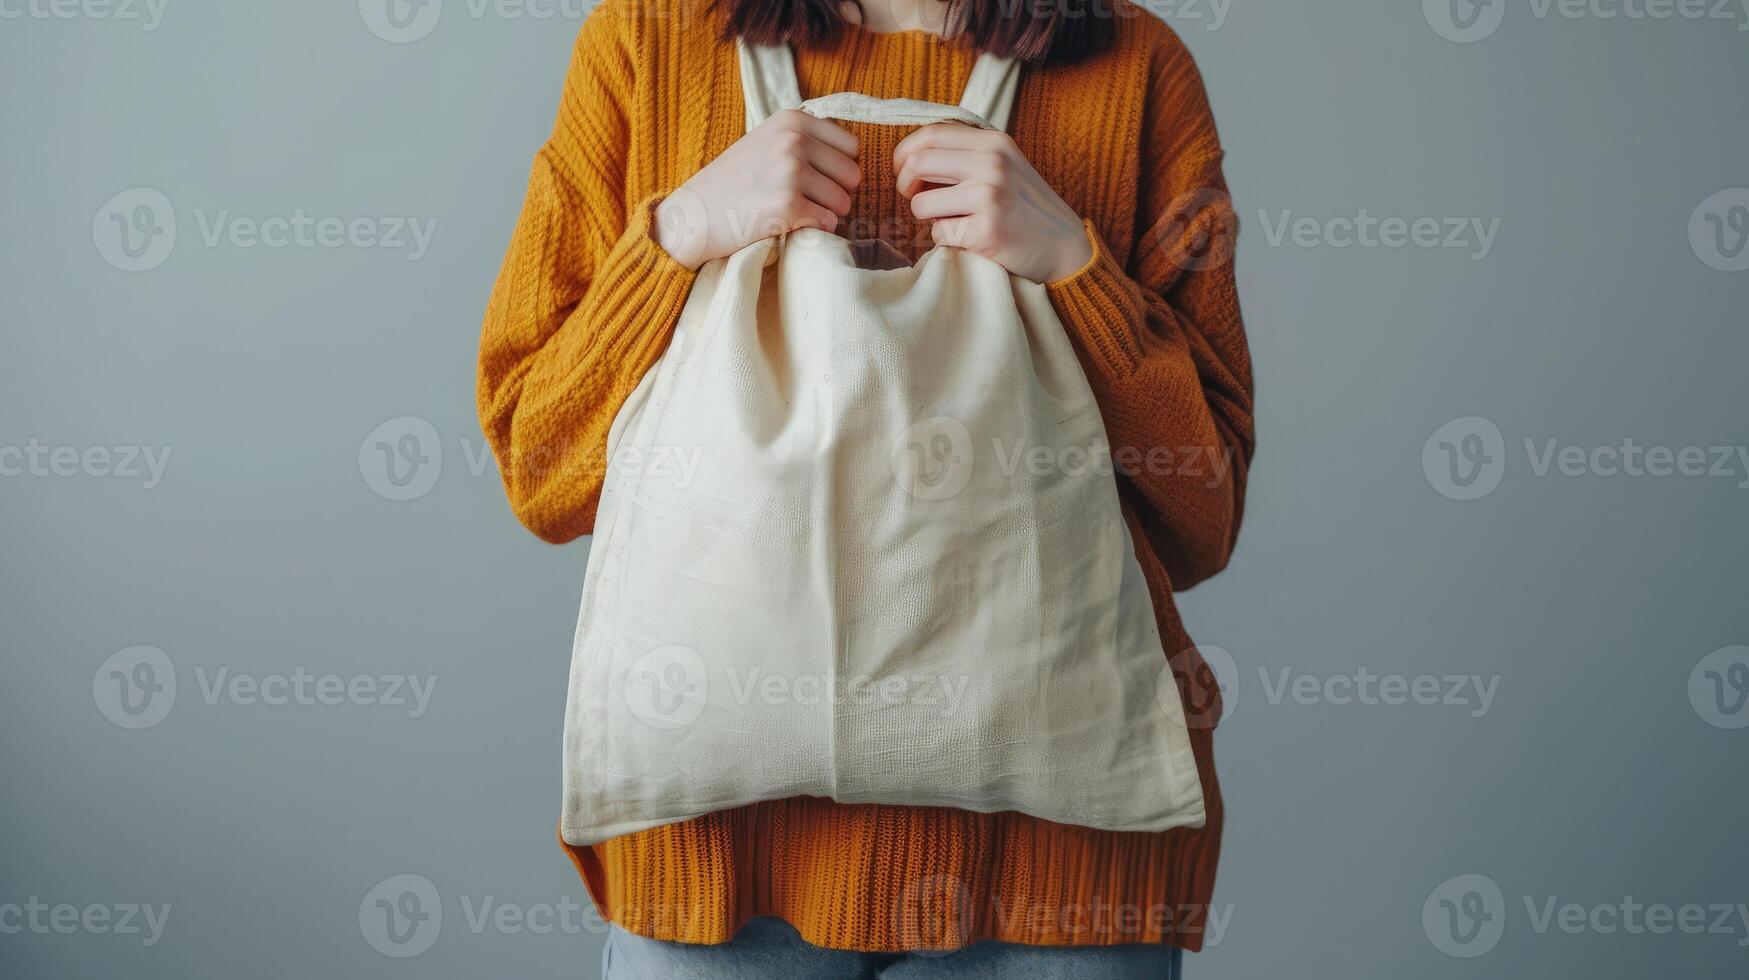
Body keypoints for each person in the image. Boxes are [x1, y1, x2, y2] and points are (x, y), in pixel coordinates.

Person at [477, 0, 1254, 973]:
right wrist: (677, 234)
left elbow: (1205, 510)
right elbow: (540, 469)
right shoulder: (646, 41)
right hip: (719, 873)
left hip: (1059, 881)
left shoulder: (1136, 64)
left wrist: (1072, 266)